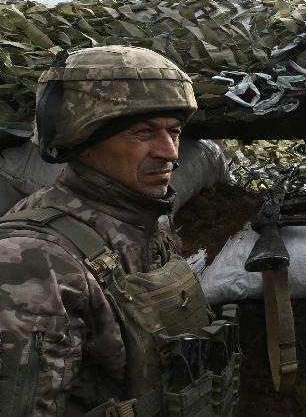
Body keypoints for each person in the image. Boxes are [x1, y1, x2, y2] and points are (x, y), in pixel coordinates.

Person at [0, 46, 238, 416]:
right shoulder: (33, 262)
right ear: (85, 141)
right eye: (144, 133)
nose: (170, 152)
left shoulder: (144, 226)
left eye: (173, 132)